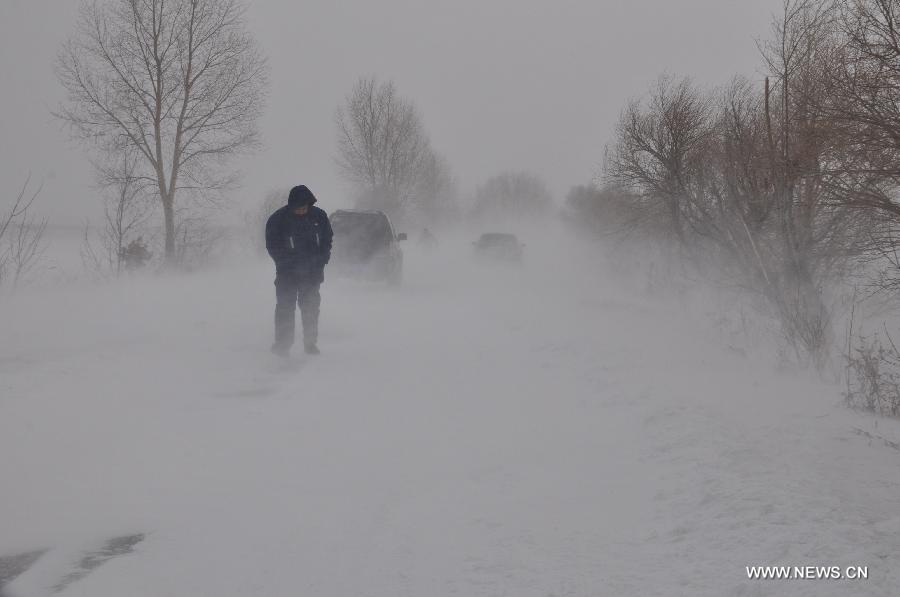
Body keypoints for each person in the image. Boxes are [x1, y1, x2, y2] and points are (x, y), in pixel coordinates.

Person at [265, 185, 333, 356]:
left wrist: (323, 259)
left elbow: (327, 239)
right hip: (286, 275)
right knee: (285, 309)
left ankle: (310, 344)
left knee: (310, 308)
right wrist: (287, 264)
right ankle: (283, 345)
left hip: (312, 274)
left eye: (304, 207)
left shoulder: (319, 216)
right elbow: (272, 246)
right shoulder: (278, 220)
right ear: (291, 205)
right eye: (298, 208)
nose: (302, 211)